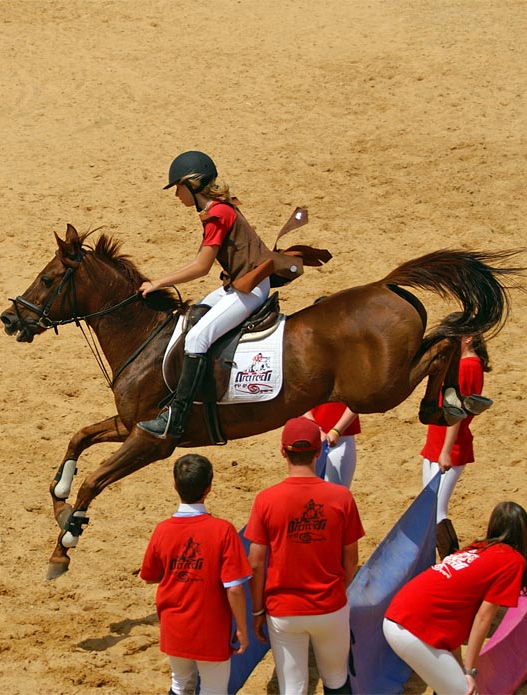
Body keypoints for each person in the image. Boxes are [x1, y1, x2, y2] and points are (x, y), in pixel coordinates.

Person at [138, 151, 327, 439]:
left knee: (197, 338)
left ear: (191, 184)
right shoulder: (218, 209)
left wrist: (157, 282)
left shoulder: (217, 213)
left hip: (249, 290)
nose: (176, 194)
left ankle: (176, 418)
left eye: (177, 187)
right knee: (195, 314)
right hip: (237, 285)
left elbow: (201, 267)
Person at [245, 417, 365, 695]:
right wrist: (338, 592)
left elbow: (256, 562)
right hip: (329, 605)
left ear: (283, 451)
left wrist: (257, 610)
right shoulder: (341, 497)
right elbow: (351, 560)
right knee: (336, 680)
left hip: (284, 610)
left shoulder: (266, 500)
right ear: (318, 452)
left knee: (293, 688)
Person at [383, 501, 527, 695]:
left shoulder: (474, 548)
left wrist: (459, 668)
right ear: (524, 533)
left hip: (401, 614)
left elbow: (454, 618)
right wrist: (468, 671)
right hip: (412, 627)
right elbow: (483, 619)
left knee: (451, 687)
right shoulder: (512, 560)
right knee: (465, 692)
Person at [140, 454, 252, 695]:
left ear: (174, 485)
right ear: (209, 488)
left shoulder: (162, 530)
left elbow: (149, 575)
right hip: (211, 628)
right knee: (213, 689)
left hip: (175, 626)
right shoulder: (223, 531)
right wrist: (242, 627)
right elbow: (234, 588)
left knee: (180, 684)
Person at [420, 318, 492, 560]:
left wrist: (445, 451)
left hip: (447, 446)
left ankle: (451, 563)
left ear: (467, 338)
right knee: (428, 510)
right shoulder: (462, 364)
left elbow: (457, 413)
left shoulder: (468, 367)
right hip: (438, 441)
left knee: (436, 511)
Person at [304, 402, 361, 488]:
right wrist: (315, 428)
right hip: (310, 436)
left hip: (342, 437)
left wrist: (337, 431)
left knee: (337, 495)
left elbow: (358, 400)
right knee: (307, 494)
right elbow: (298, 399)